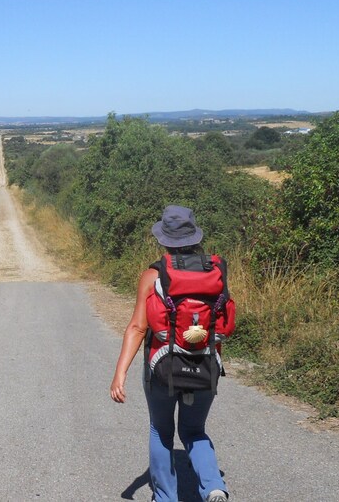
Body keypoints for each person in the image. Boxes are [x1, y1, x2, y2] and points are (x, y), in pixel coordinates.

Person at [110, 205, 230, 502]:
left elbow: (138, 327)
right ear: (195, 235)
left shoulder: (154, 274)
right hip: (206, 363)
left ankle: (165, 498)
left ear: (163, 239)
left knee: (161, 431)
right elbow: (220, 321)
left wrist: (120, 372)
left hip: (161, 365)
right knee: (194, 431)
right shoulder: (216, 270)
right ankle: (214, 485)